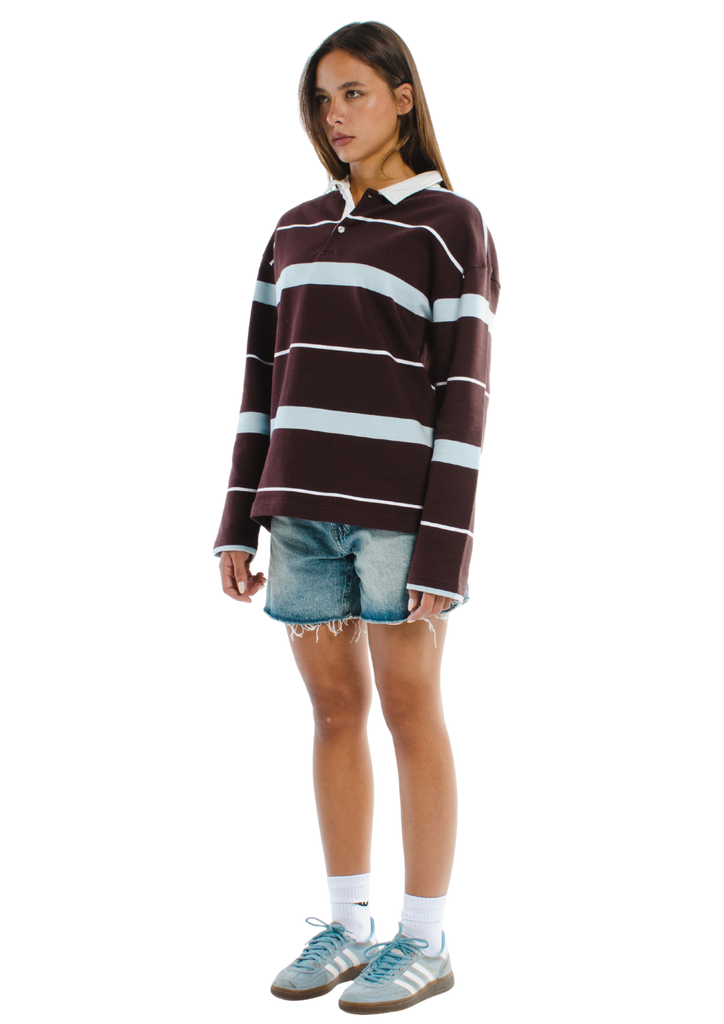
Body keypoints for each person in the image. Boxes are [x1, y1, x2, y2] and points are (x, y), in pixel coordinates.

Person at [210, 17, 502, 1016]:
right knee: (334, 713)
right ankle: (348, 924)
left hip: (398, 516)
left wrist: (447, 543)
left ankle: (424, 938)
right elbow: (260, 382)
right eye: (321, 99)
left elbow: (466, 394)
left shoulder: (450, 223)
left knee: (413, 709)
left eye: (354, 94)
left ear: (402, 98)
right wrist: (237, 519)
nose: (335, 115)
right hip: (296, 513)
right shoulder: (291, 229)